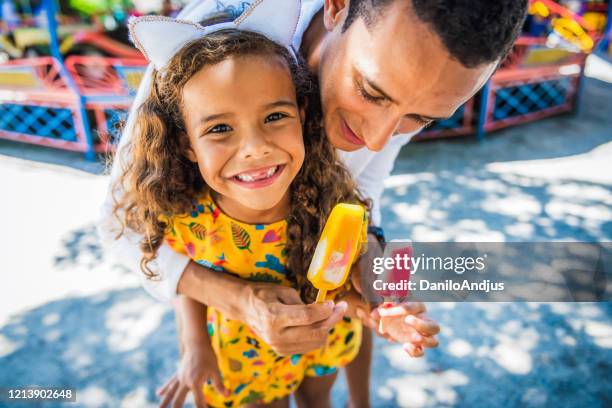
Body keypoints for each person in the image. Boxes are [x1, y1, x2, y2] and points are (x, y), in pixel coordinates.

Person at [100, 0, 527, 406]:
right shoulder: (208, 49)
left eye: (420, 119)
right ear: (336, 6)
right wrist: (240, 303)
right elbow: (124, 231)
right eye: (371, 91)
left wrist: (373, 271)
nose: (379, 138)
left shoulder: (415, 85)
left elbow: (365, 191)